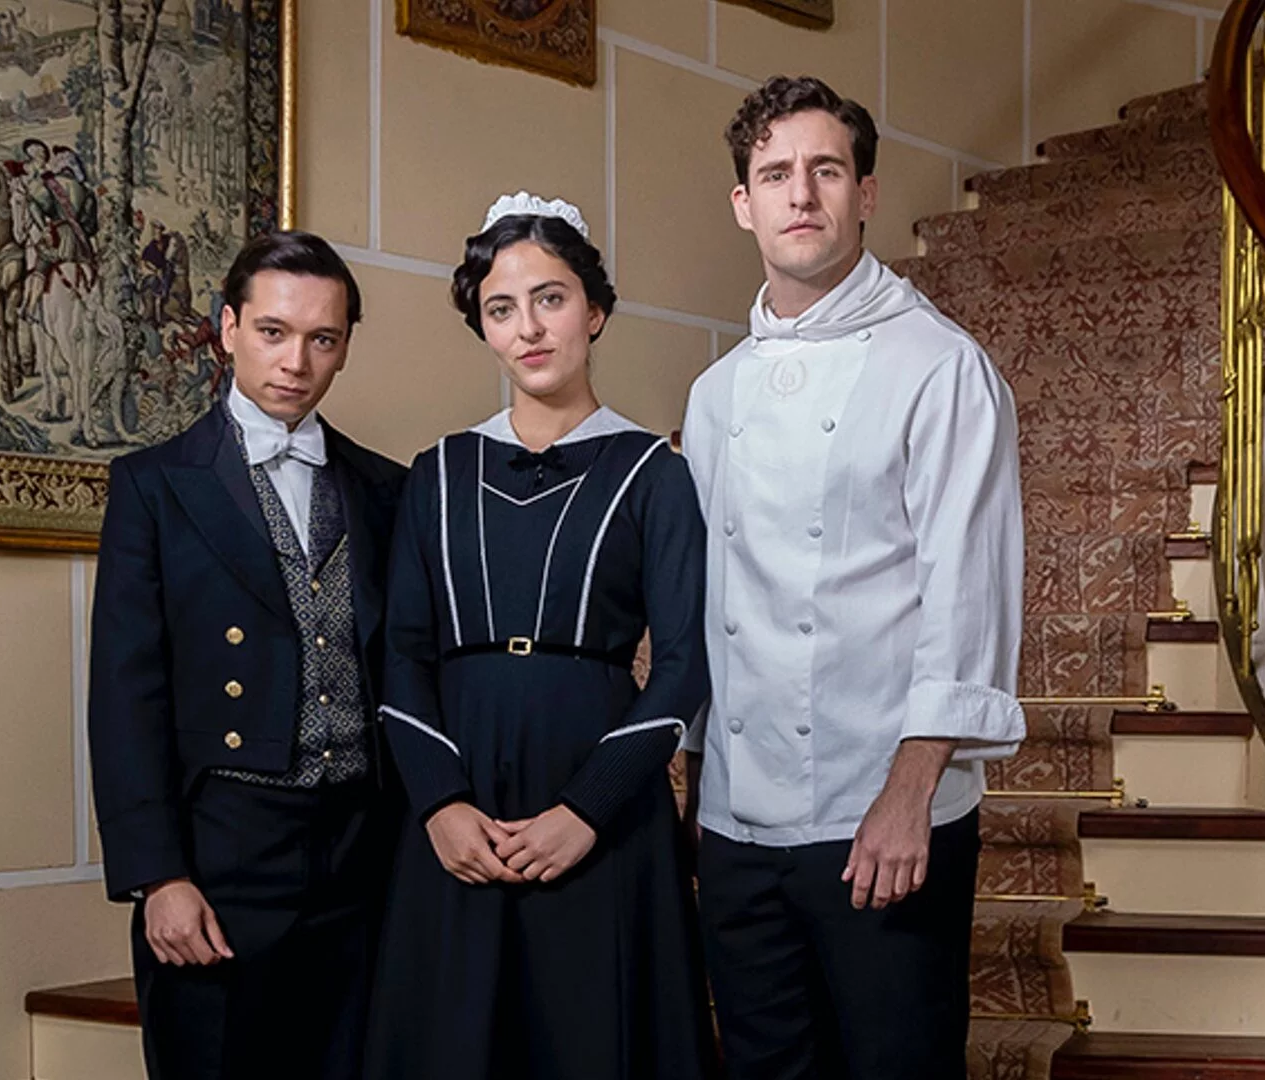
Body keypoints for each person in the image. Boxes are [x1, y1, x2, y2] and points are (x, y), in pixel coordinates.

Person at [681, 75, 1027, 1079]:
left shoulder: (940, 367)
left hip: (884, 816)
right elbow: (712, 604)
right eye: (775, 174)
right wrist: (699, 789)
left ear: (865, 194)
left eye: (826, 171)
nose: (801, 194)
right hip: (739, 829)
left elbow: (967, 591)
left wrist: (910, 792)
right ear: (743, 203)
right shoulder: (714, 395)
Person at [365, 192, 715, 1079]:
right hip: (458, 811)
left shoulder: (655, 472)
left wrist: (586, 811)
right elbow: (401, 652)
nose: (528, 327)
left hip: (601, 810)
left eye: (550, 299)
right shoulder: (439, 471)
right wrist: (440, 806)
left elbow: (684, 665)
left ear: (593, 311)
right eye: (501, 308)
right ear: (482, 328)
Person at [88, 230, 407, 1080]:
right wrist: (157, 876)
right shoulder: (154, 485)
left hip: (361, 854)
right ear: (228, 328)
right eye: (273, 331)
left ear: (344, 346)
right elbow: (125, 695)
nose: (296, 361)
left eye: (322, 338)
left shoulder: (386, 488)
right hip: (221, 852)